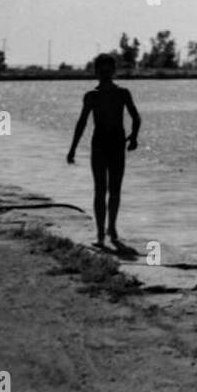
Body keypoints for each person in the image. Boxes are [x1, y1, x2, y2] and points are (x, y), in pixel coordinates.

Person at [67, 53, 141, 250]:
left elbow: (136, 117)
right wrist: (72, 149)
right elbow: (81, 123)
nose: (105, 74)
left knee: (115, 190)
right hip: (99, 145)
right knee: (100, 190)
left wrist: (134, 137)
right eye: (101, 71)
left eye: (109, 70)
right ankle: (100, 232)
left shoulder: (123, 93)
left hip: (117, 145)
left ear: (113, 71)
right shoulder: (91, 96)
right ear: (96, 72)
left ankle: (112, 228)